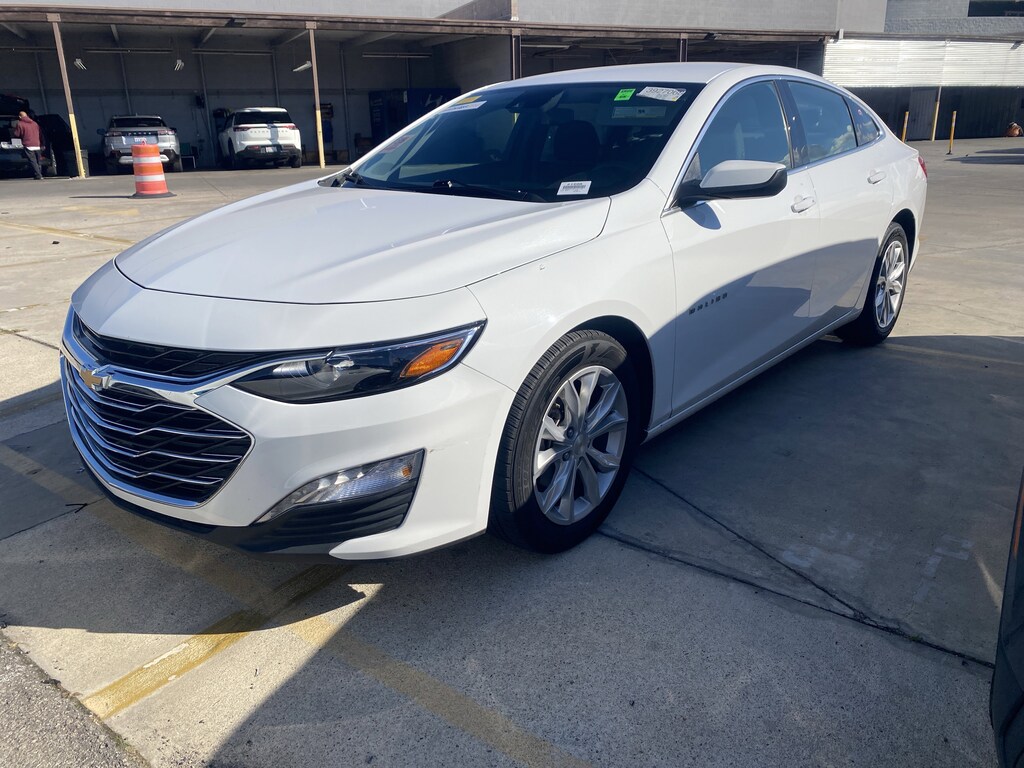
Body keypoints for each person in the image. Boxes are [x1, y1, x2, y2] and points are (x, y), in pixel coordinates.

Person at [12, 111, 43, 179]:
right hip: (37, 144)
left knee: (32, 160)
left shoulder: (20, 124)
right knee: (38, 160)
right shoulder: (35, 123)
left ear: (20, 117)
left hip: (28, 144)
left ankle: (38, 175)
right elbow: (40, 134)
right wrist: (42, 143)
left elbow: (17, 134)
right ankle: (39, 173)